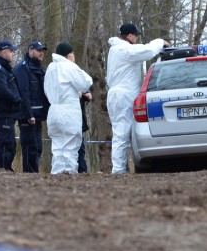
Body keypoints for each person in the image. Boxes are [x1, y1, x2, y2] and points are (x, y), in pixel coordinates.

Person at [106, 23, 168, 173]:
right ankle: (118, 170)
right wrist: (160, 42)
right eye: (136, 36)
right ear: (129, 36)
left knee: (122, 132)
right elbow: (147, 51)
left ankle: (120, 168)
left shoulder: (118, 50)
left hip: (119, 94)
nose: (137, 39)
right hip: (123, 95)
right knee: (122, 133)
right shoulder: (124, 49)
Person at [44, 42, 93, 174]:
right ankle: (69, 175)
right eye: (72, 54)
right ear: (68, 55)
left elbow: (46, 89)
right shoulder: (69, 66)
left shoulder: (50, 67)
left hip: (53, 111)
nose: (74, 56)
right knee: (70, 146)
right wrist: (76, 67)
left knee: (58, 147)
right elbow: (85, 83)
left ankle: (57, 173)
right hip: (68, 111)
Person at [13, 41, 50, 173]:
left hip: (38, 116)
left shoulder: (39, 69)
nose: (42, 53)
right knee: (30, 147)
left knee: (38, 148)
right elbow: (23, 93)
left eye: (43, 51)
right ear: (30, 51)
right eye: (39, 50)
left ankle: (33, 175)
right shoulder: (22, 68)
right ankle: (29, 176)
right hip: (27, 116)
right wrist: (29, 114)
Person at [0, 40, 21, 171]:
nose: (13, 53)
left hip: (9, 111)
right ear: (3, 53)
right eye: (11, 51)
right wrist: (17, 99)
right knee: (6, 141)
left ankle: (5, 167)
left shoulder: (3, 68)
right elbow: (3, 90)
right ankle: (2, 168)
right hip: (3, 111)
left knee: (10, 142)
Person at [78, 90, 92, 173]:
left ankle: (82, 171)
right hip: (68, 120)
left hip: (80, 122)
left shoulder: (80, 82)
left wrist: (85, 93)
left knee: (80, 149)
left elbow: (89, 96)